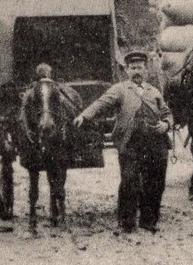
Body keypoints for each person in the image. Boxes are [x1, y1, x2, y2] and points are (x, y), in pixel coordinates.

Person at [75, 50, 174, 234]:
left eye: (140, 67)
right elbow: (101, 103)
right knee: (129, 181)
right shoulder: (119, 89)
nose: (137, 71)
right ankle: (127, 222)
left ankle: (148, 221)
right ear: (127, 70)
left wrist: (166, 124)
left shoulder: (154, 91)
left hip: (155, 142)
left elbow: (167, 113)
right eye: (133, 67)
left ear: (146, 70)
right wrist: (84, 115)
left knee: (155, 182)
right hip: (130, 143)